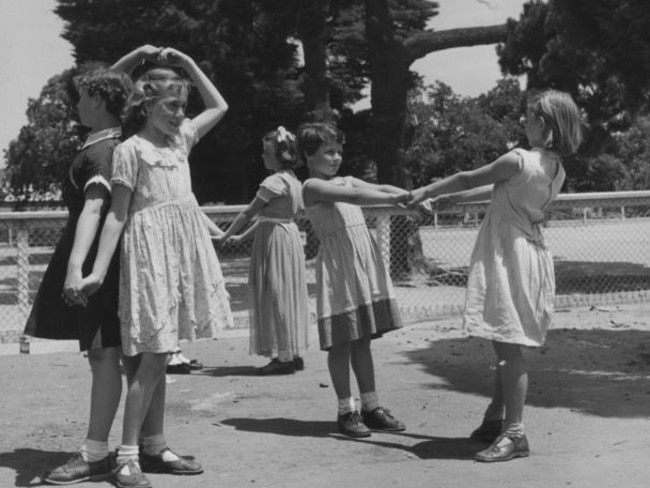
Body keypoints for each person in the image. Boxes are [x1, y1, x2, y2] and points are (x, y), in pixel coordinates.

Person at [77, 47, 233, 488]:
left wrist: (188, 65)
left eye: (183, 105)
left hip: (179, 256)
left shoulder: (181, 140)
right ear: (146, 105)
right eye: (171, 105)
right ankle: (128, 455)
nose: (180, 113)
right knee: (150, 358)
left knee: (160, 358)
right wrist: (98, 271)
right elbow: (117, 215)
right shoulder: (131, 150)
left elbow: (220, 106)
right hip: (148, 260)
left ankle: (155, 444)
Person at [408, 90, 582, 462]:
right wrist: (456, 200)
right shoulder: (555, 168)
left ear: (545, 124)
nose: (525, 122)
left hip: (509, 254)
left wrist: (424, 191)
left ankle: (514, 433)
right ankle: (496, 416)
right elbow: (502, 187)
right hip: (532, 253)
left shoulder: (517, 158)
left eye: (530, 117)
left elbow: (465, 175)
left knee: (507, 344)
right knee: (509, 341)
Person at [22, 45, 163, 486]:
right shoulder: (104, 140)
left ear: (100, 103)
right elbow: (109, 88)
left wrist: (75, 270)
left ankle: (96, 453)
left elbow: (94, 210)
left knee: (107, 356)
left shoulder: (104, 152)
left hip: (104, 264)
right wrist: (133, 57)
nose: (76, 103)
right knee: (125, 358)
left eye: (83, 98)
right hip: (110, 260)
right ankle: (146, 444)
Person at [298, 122, 408, 438]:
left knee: (362, 340)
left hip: (362, 265)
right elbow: (359, 197)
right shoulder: (311, 187)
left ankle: (372, 406)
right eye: (327, 152)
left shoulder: (345, 179)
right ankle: (347, 410)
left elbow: (384, 189)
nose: (335, 158)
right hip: (339, 270)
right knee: (342, 343)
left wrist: (416, 196)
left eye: (338, 151)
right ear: (308, 156)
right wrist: (402, 201)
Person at [216, 126, 309, 375]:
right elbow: (268, 217)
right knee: (285, 293)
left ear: (281, 155)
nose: (263, 157)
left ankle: (284, 356)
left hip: (275, 241)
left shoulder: (274, 181)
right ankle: (292, 352)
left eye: (267, 153)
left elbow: (250, 212)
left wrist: (225, 235)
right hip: (287, 236)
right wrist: (241, 237)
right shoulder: (294, 180)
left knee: (275, 294)